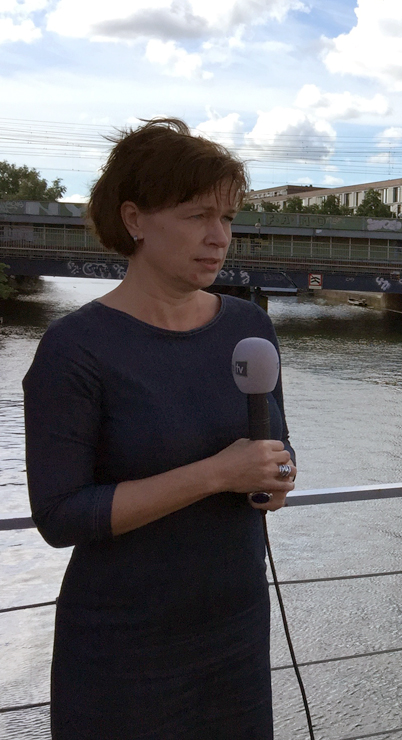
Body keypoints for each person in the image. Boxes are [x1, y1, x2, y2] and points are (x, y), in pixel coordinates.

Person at [24, 119, 297, 738]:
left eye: (227, 219)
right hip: (124, 652)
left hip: (236, 635)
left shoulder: (248, 327)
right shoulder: (75, 350)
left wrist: (277, 473)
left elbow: (273, 443)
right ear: (135, 219)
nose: (217, 237)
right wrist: (214, 475)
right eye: (197, 215)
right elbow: (62, 515)